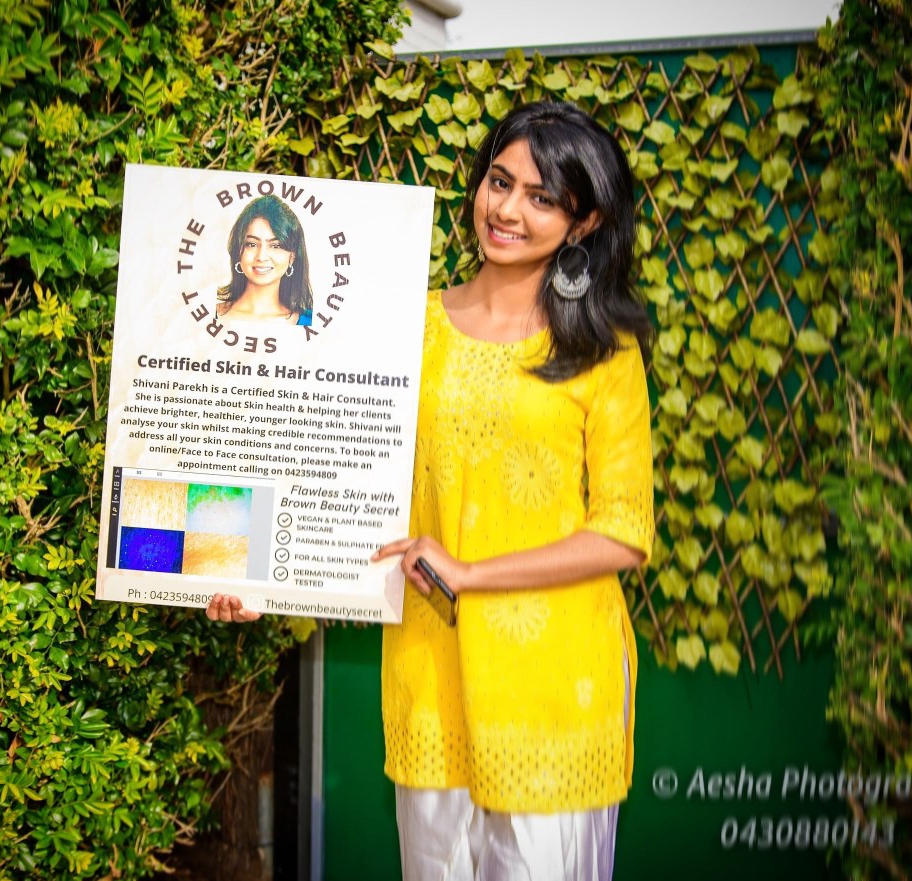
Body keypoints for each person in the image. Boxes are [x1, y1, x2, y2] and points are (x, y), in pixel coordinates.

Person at [208, 101, 654, 881]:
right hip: (430, 673)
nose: (507, 210)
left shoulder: (602, 348)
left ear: (583, 223)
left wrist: (469, 573)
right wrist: (254, 573)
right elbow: (327, 469)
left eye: (542, 197)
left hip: (555, 687)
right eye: (499, 182)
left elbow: (621, 532)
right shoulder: (403, 330)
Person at [216, 194, 314, 324]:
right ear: (238, 250)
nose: (261, 257)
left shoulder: (311, 322)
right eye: (252, 244)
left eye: (276, 245)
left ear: (292, 256)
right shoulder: (207, 314)